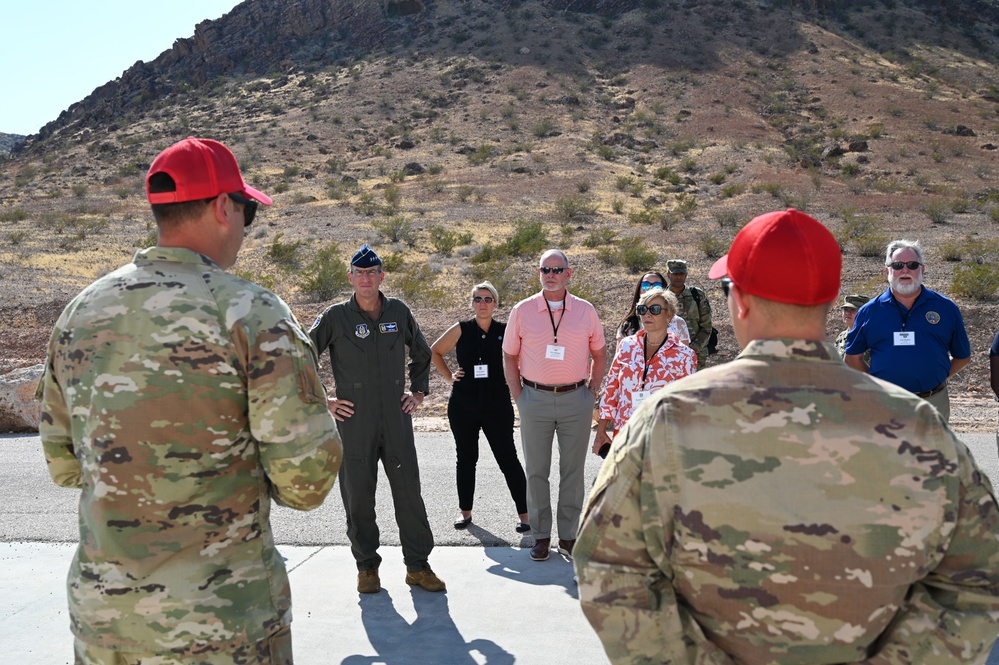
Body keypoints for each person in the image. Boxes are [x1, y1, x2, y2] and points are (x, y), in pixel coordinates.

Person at [574, 208, 999, 665]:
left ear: (739, 301)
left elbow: (608, 567)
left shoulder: (668, 419)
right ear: (832, 299)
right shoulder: (916, 422)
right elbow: (977, 577)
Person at [38, 136, 343, 665]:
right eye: (248, 212)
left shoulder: (80, 313)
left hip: (107, 623)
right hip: (221, 623)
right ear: (224, 207)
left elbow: (64, 466)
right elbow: (307, 480)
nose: (246, 228)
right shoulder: (252, 313)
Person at [309, 244, 445, 594]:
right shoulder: (335, 317)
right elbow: (302, 355)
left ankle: (418, 566)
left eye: (372, 273)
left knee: (409, 494)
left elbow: (422, 352)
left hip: (396, 419)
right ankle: (366, 567)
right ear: (350, 277)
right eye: (360, 273)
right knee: (358, 496)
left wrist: (417, 392)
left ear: (382, 276)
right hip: (355, 422)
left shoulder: (398, 312)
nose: (366, 278)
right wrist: (324, 399)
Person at [502, 249, 606, 562]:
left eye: (557, 270)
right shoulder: (523, 310)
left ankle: (570, 536)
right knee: (536, 471)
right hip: (534, 399)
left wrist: (592, 390)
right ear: (539, 273)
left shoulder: (586, 311)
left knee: (573, 472)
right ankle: (541, 536)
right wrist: (518, 395)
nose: (551, 275)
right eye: (545, 269)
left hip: (577, 399)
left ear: (569, 274)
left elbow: (600, 353)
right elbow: (509, 355)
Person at [430, 281, 529, 533]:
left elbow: (523, 359)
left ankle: (525, 516)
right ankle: (465, 512)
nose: (482, 304)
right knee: (466, 458)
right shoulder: (462, 329)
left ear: (495, 303)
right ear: (472, 303)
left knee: (508, 458)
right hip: (464, 404)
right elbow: (435, 352)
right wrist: (450, 376)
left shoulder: (505, 331)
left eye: (487, 299)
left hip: (497, 404)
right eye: (477, 299)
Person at [845, 239, 971, 422]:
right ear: (887, 271)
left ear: (922, 270)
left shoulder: (946, 308)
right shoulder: (869, 311)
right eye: (897, 265)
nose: (905, 270)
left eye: (912, 265)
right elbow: (852, 358)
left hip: (933, 403)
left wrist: (939, 377)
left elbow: (963, 356)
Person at [596, 288, 695, 458]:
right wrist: (601, 430)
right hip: (625, 432)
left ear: (669, 315)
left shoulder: (684, 355)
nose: (647, 315)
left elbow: (687, 403)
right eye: (642, 309)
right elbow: (612, 387)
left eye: (654, 310)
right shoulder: (627, 346)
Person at [615, 270, 691, 346]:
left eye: (656, 285)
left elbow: (685, 354)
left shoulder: (678, 323)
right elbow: (620, 356)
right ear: (639, 289)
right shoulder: (627, 325)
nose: (650, 289)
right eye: (645, 285)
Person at [666, 259, 713, 369]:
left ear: (686, 274)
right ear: (668, 274)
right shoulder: (662, 297)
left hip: (696, 354)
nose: (678, 277)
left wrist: (693, 348)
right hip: (667, 355)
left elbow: (706, 326)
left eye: (681, 274)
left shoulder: (697, 295)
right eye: (675, 274)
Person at [833, 293, 870, 359]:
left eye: (852, 310)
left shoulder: (871, 338)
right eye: (845, 309)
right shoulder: (841, 337)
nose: (847, 313)